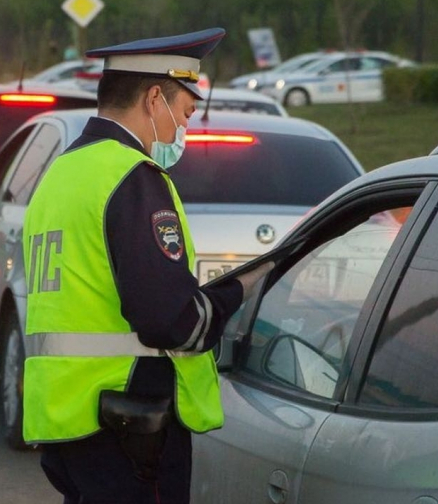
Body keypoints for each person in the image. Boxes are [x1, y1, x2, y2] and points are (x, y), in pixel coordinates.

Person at [22, 30, 275, 504]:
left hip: (65, 417)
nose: (184, 128)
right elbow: (170, 320)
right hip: (130, 425)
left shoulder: (61, 173)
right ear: (154, 97)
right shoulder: (132, 177)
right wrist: (240, 290)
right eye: (184, 113)